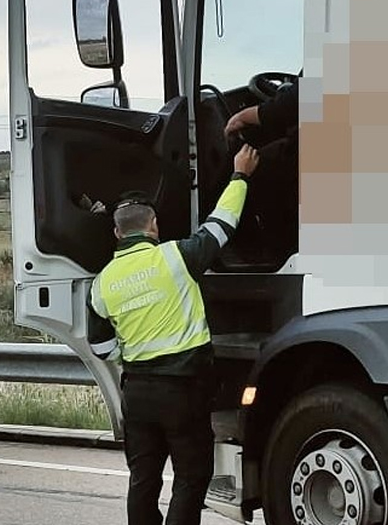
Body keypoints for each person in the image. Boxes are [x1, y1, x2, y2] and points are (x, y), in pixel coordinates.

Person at [85, 143, 261, 525]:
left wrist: (135, 354)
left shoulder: (101, 285)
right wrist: (240, 176)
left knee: (144, 479)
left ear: (117, 233)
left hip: (137, 394)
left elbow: (101, 347)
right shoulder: (176, 257)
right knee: (190, 477)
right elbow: (221, 225)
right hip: (183, 390)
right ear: (154, 226)